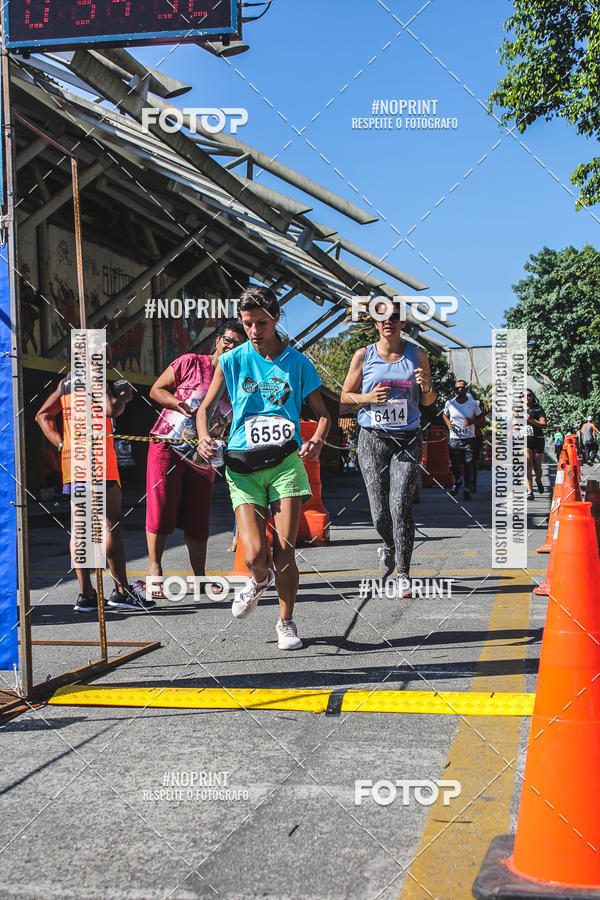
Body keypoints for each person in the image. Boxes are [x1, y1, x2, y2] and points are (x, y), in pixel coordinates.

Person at [197, 286, 330, 651]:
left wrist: (317, 439)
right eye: (248, 323)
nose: (254, 330)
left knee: (285, 548)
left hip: (286, 464)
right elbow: (204, 408)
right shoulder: (232, 360)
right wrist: (204, 437)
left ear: (276, 319)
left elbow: (322, 415)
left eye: (261, 322)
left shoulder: (298, 363)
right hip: (242, 467)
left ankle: (285, 622)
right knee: (255, 554)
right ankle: (258, 579)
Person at [144, 320, 247, 599]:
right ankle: (154, 572)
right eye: (228, 340)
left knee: (198, 518)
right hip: (168, 444)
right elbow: (156, 389)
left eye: (239, 344)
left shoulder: (239, 381)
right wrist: (175, 403)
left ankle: (198, 579)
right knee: (161, 508)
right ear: (217, 340)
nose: (230, 346)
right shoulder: (191, 362)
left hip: (204, 456)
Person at [35, 373, 154, 612]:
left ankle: (86, 594)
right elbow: (112, 410)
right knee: (110, 524)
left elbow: (42, 415)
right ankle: (121, 591)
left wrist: (62, 445)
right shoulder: (94, 377)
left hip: (74, 464)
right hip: (99, 463)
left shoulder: (66, 382)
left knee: (80, 527)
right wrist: (124, 397)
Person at [341, 298, 436, 595]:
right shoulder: (363, 355)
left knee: (399, 504)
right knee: (380, 512)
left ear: (403, 322)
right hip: (372, 438)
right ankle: (388, 545)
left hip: (407, 437)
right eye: (381, 317)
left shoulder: (417, 356)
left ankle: (404, 573)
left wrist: (426, 387)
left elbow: (429, 402)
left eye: (394, 316)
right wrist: (369, 399)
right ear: (375, 322)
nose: (388, 321)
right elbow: (344, 397)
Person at [442, 381, 486, 501]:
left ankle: (467, 489)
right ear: (454, 390)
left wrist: (473, 422)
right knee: (455, 465)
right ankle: (457, 481)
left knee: (468, 465)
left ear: (466, 389)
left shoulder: (472, 403)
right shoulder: (450, 403)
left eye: (463, 388)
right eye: (457, 388)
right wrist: (448, 424)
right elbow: (444, 415)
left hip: (469, 439)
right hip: (454, 438)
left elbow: (482, 418)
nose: (460, 390)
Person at [525, 389, 547, 500]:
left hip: (538, 439)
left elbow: (544, 425)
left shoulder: (538, 409)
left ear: (532, 397)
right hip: (525, 441)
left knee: (537, 468)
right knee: (527, 464)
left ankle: (538, 480)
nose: (527, 398)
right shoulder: (517, 410)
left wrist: (531, 420)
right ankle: (530, 491)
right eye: (524, 396)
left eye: (529, 395)